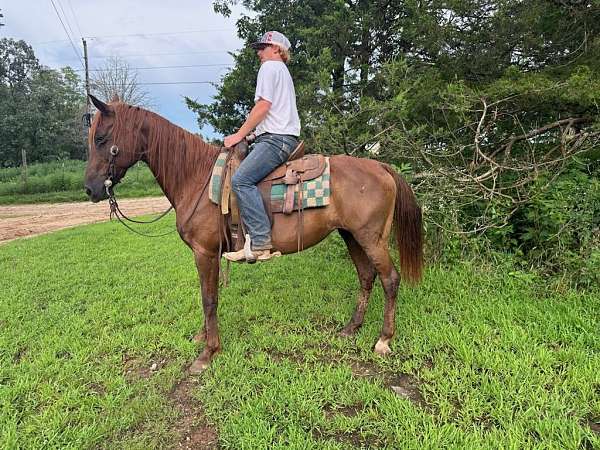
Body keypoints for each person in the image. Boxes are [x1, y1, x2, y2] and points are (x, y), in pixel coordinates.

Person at [222, 31, 301, 263]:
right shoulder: (283, 72)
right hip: (280, 136)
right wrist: (254, 134)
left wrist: (238, 135)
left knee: (241, 180)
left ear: (277, 49)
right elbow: (275, 114)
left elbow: (263, 107)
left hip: (276, 140)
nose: (259, 52)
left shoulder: (269, 68)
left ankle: (260, 242)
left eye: (263, 47)